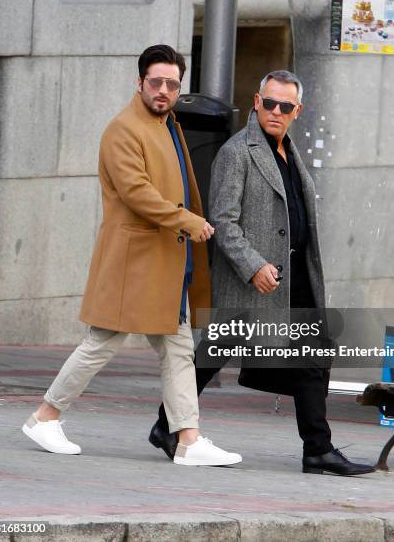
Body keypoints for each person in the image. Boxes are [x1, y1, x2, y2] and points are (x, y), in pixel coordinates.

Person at [21, 44, 241, 467]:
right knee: (102, 342)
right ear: (139, 82)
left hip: (162, 261)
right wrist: (187, 221)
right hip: (135, 261)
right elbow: (137, 192)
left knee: (178, 348)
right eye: (155, 82)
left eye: (171, 84)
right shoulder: (124, 129)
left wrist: (185, 225)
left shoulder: (168, 124)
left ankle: (189, 440)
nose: (163, 90)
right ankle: (45, 416)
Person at [149, 70, 374, 476]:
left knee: (313, 353)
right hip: (253, 280)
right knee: (213, 355)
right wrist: (254, 266)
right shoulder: (239, 151)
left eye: (284, 106)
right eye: (268, 103)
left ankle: (317, 448)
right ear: (256, 102)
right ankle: (167, 425)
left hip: (294, 275)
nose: (275, 111)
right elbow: (223, 220)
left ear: (297, 111)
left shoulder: (288, 149)